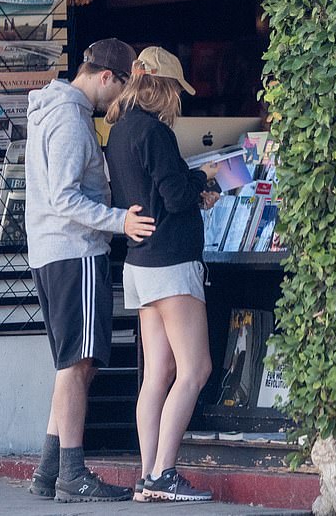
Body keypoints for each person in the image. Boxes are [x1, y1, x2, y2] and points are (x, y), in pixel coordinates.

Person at [24, 38, 156, 503]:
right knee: (77, 363)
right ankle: (72, 473)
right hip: (73, 249)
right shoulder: (68, 116)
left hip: (54, 250)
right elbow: (64, 196)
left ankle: (48, 471)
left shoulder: (55, 110)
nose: (119, 100)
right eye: (121, 88)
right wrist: (118, 220)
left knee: (73, 363)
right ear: (106, 77)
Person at [105, 46, 219, 502]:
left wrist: (192, 190)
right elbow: (173, 196)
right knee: (196, 368)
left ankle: (147, 473)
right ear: (163, 87)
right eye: (175, 90)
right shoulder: (155, 132)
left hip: (140, 266)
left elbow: (149, 195)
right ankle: (164, 474)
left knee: (157, 374)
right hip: (173, 263)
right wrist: (203, 179)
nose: (177, 100)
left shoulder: (119, 131)